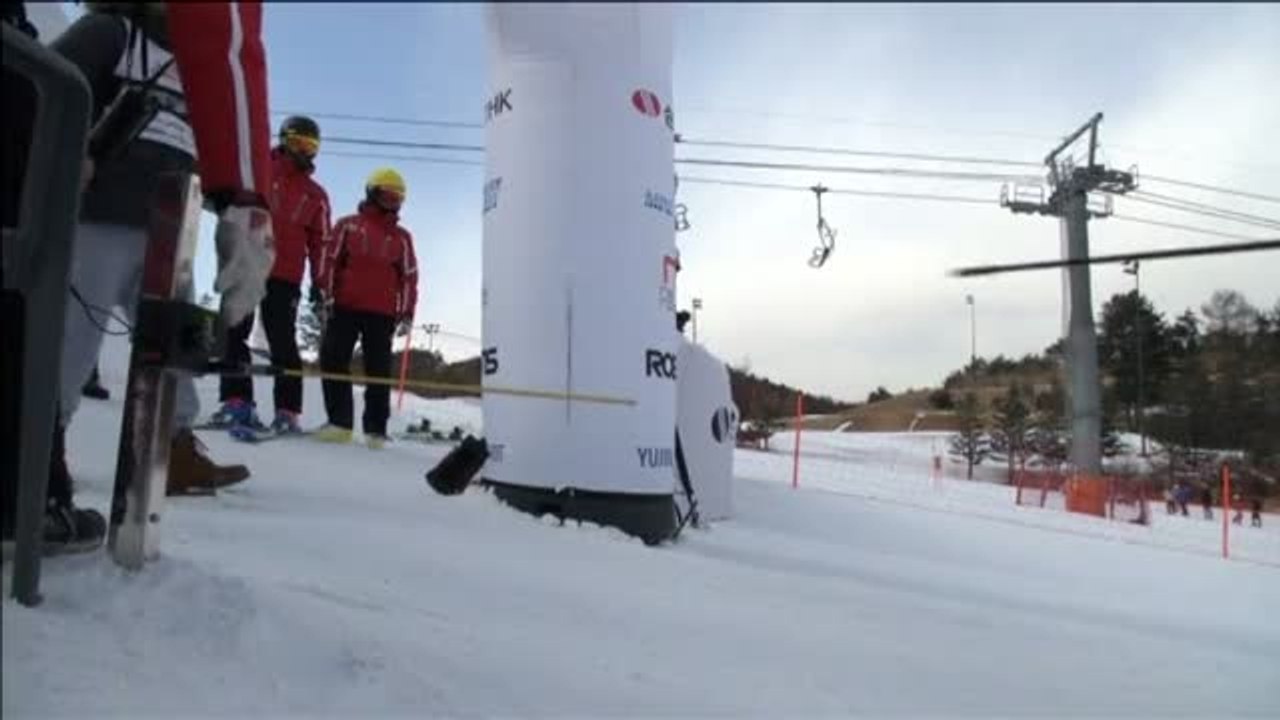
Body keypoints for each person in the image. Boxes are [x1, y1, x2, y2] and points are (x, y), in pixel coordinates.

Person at [1, 0, 275, 555]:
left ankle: (171, 449)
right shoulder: (114, 34)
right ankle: (31, 465)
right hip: (97, 220)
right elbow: (42, 93)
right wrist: (65, 159)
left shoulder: (203, 63)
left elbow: (221, 130)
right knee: (66, 347)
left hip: (172, 232)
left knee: (171, 351)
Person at [210, 115, 331, 438]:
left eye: (311, 146)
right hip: (247, 263)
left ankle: (287, 412)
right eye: (299, 143)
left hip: (286, 274)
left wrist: (320, 283)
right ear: (284, 139)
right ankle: (238, 401)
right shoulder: (257, 169)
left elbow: (321, 242)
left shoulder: (315, 195)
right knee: (236, 332)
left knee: (283, 342)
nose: (305, 151)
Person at [314, 168, 418, 449]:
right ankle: (339, 423)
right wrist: (325, 292)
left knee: (379, 370)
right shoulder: (348, 225)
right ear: (373, 193)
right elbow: (330, 259)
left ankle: (376, 430)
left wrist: (407, 313)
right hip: (345, 306)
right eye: (388, 195)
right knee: (334, 359)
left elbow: (409, 275)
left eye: (398, 198)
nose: (393, 202)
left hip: (382, 314)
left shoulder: (402, 238)